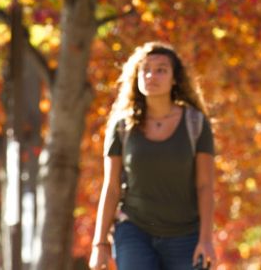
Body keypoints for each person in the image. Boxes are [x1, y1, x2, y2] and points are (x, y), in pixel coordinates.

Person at [89, 42, 217, 270]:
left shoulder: (195, 124)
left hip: (185, 234)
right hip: (135, 230)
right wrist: (100, 244)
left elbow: (205, 185)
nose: (151, 75)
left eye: (161, 70)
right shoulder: (122, 126)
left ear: (175, 78)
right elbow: (111, 187)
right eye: (145, 69)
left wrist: (206, 239)